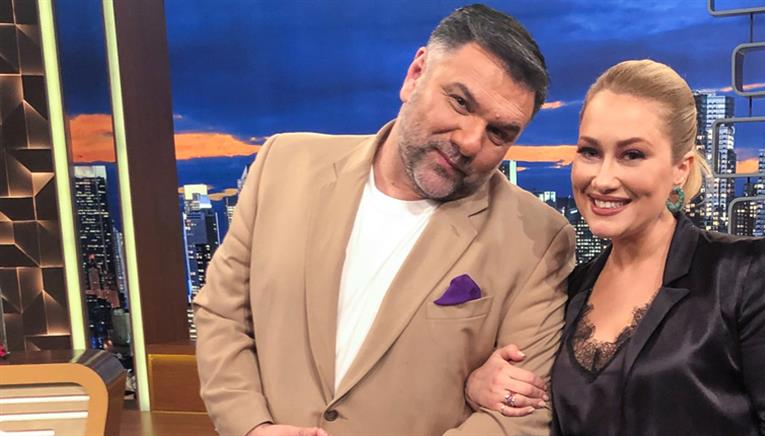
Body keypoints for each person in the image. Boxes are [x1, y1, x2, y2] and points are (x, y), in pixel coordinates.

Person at [194, 5, 575, 435]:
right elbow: (223, 315)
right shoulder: (283, 163)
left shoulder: (537, 238)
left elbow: (519, 416)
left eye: (499, 132)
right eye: (460, 102)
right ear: (416, 74)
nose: (471, 141)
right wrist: (252, 427)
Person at [465, 60, 765, 435]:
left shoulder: (750, 273)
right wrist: (477, 386)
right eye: (590, 152)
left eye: (632, 155)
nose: (602, 179)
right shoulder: (567, 288)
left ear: (680, 169)